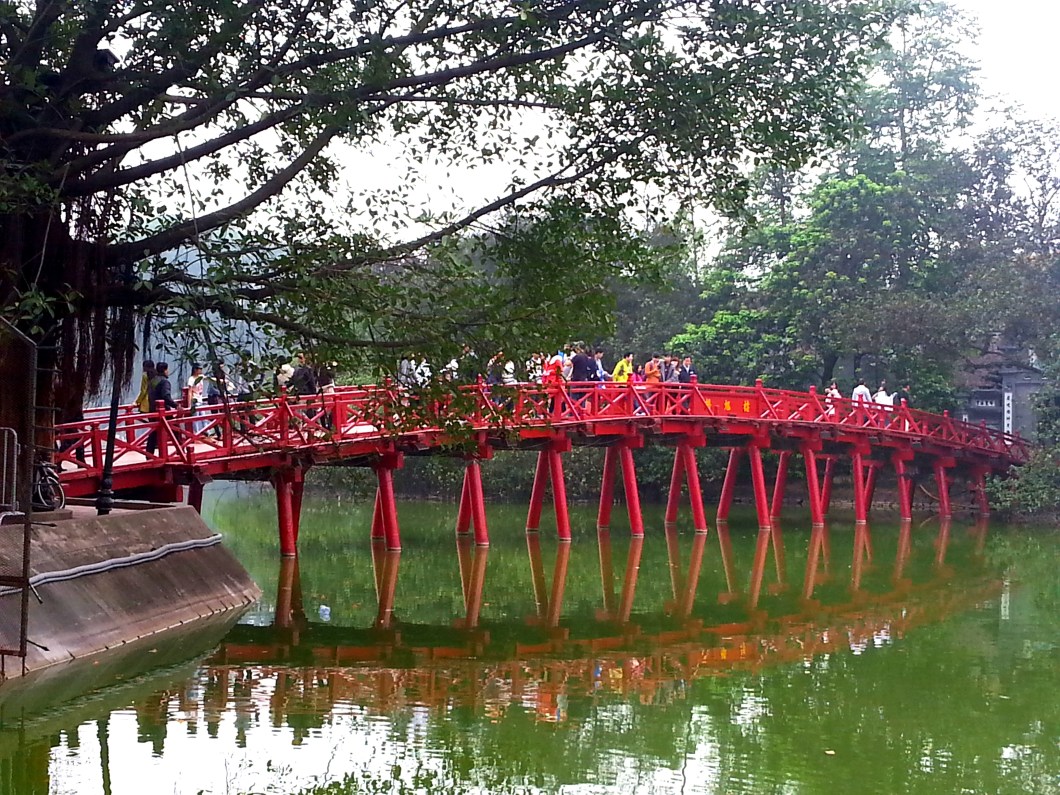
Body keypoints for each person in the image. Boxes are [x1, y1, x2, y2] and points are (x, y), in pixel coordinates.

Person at [146, 362, 177, 455]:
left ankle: (149, 454)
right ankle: (181, 451)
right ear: (165, 370)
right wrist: (176, 405)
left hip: (152, 410)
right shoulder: (164, 382)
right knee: (176, 430)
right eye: (167, 369)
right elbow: (166, 396)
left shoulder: (153, 380)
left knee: (153, 433)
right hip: (163, 412)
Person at [187, 363, 206, 435]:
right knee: (196, 418)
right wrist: (189, 404)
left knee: (203, 417)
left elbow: (209, 379)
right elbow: (189, 391)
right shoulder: (191, 379)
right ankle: (196, 434)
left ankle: (206, 432)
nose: (201, 370)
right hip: (195, 400)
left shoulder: (200, 377)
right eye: (199, 369)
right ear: (195, 370)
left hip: (200, 400)